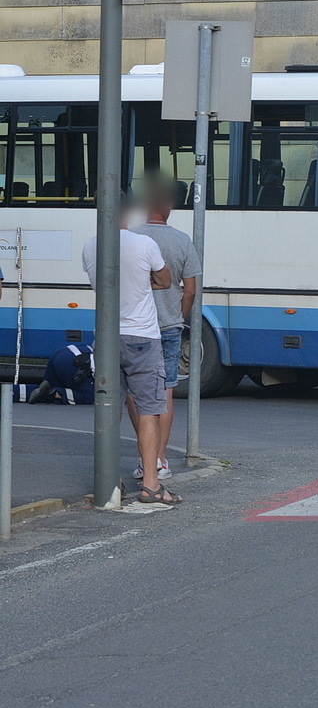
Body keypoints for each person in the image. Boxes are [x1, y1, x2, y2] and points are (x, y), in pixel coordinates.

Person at [81, 196, 184, 504]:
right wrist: (145, 280)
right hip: (142, 337)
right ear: (128, 212)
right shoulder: (143, 244)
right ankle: (151, 485)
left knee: (109, 411)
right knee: (150, 411)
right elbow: (165, 281)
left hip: (108, 337)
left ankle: (111, 483)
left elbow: (98, 285)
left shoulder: (90, 246)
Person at [130, 179, 202, 480]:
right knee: (166, 391)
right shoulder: (183, 240)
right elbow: (190, 290)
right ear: (169, 207)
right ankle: (161, 458)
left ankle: (145, 459)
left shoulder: (132, 238)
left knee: (135, 393)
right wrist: (178, 315)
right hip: (170, 326)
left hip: (137, 327)